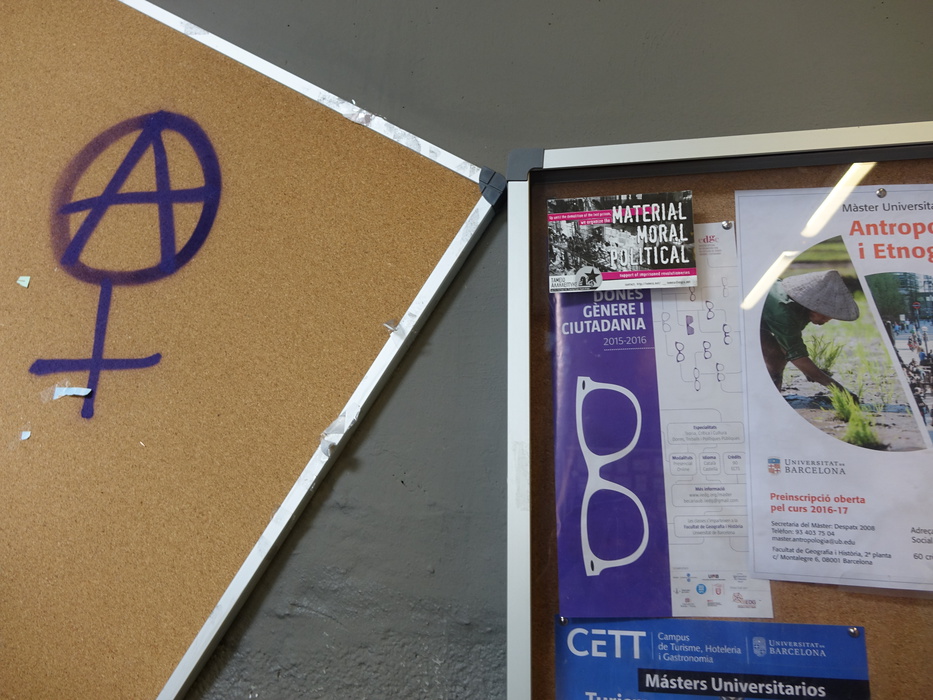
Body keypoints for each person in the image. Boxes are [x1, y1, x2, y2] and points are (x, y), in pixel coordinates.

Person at [760, 270, 860, 400]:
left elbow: (789, 345)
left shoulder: (801, 309)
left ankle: (771, 396)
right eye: (826, 314)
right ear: (812, 307)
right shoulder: (784, 310)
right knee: (774, 357)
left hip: (758, 315)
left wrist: (808, 370)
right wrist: (840, 391)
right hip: (740, 318)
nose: (827, 320)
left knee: (778, 356)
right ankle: (769, 400)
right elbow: (796, 355)